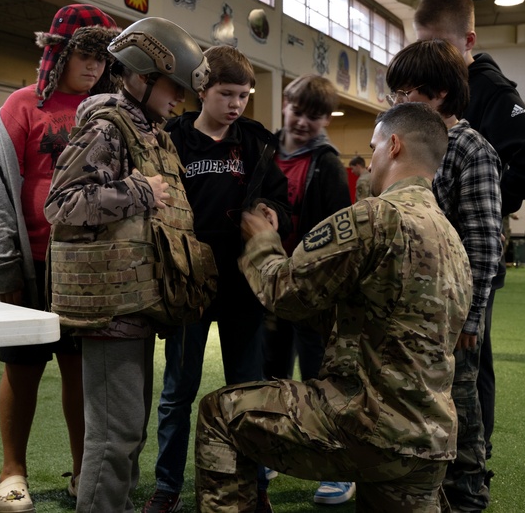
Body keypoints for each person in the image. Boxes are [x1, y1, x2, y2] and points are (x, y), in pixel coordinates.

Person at [194, 102, 473, 513]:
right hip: (429, 438)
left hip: (367, 425)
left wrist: (261, 241)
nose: (370, 159)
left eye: (374, 146)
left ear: (393, 146)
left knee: (220, 414)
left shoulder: (374, 219)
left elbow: (285, 292)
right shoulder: (451, 238)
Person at [44, 17, 216, 513]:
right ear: (141, 75)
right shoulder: (107, 125)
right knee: (112, 438)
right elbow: (61, 203)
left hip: (133, 306)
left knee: (127, 433)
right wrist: (140, 191)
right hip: (109, 311)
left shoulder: (149, 130)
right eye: (174, 87)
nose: (181, 100)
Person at [0, 4, 120, 512]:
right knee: (22, 369)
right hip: (33, 261)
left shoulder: (110, 112)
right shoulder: (19, 107)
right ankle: (12, 471)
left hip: (89, 265)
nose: (94, 66)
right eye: (85, 54)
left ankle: (83, 469)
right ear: (58, 52)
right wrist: (1, 263)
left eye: (102, 57)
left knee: (81, 373)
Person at [413, 0, 525, 469]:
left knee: (471, 360)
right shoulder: (437, 87)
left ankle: (473, 461)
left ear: (468, 39)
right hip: (431, 252)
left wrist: (494, 198)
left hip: (471, 251)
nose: (431, 56)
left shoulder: (488, 88)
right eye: (423, 45)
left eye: (439, 45)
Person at [144, 46, 291, 513]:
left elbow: (282, 202)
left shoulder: (255, 142)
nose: (236, 104)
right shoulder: (171, 137)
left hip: (243, 286)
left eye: (244, 96)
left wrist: (274, 215)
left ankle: (255, 487)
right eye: (226, 94)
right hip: (188, 282)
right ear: (201, 89)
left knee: (248, 391)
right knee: (177, 393)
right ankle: (167, 487)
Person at [386, 39, 502, 512]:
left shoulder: (473, 149)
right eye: (397, 93)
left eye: (408, 92)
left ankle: (468, 491)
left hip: (451, 308)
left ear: (438, 94)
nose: (400, 102)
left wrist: (471, 319)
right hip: (404, 301)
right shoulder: (402, 141)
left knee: (461, 403)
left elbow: (484, 242)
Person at [263, 74, 354, 506]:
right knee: (272, 376)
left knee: (322, 382)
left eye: (313, 117)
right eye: (297, 112)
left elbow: (340, 233)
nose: (302, 122)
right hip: (268, 288)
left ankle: (337, 466)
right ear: (285, 104)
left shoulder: (330, 165)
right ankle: (275, 451)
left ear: (325, 120)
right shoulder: (262, 152)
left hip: (314, 293)